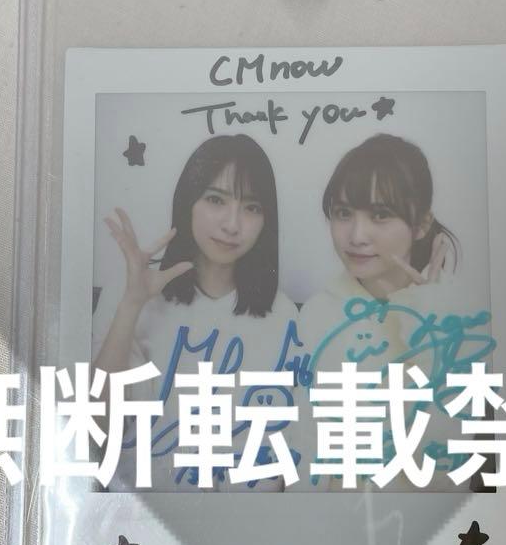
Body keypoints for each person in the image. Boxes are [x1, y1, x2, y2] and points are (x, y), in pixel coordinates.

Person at [93, 134, 300, 492]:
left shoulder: (281, 314)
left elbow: (280, 446)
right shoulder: (129, 293)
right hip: (139, 515)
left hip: (238, 518)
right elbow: (97, 430)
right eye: (216, 200)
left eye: (251, 207)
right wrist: (131, 305)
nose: (232, 224)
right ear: (188, 202)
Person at [297, 133, 480, 491]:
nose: (356, 235)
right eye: (343, 213)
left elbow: (445, 466)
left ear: (421, 224)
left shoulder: (458, 317)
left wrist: (426, 320)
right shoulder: (317, 314)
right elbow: (303, 453)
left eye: (380, 215)